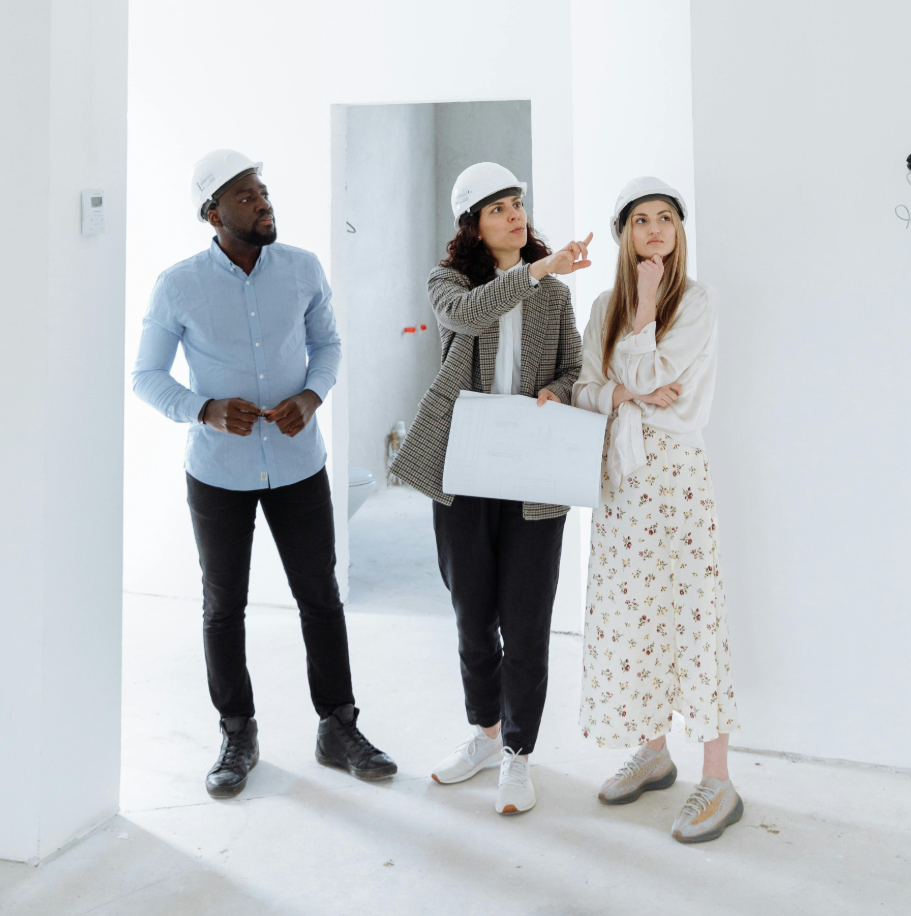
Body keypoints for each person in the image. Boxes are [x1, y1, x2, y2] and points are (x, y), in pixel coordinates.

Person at [132, 149, 396, 799]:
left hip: (299, 466)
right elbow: (145, 376)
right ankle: (237, 732)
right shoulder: (177, 284)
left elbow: (328, 345)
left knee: (321, 597)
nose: (262, 203)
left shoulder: (303, 269)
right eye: (245, 197)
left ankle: (339, 726)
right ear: (212, 213)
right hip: (218, 474)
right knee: (223, 607)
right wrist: (204, 410)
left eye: (263, 191)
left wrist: (312, 396)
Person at [390, 162, 590, 815]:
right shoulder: (449, 282)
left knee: (526, 622)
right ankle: (485, 733)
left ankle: (518, 754)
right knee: (473, 617)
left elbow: (571, 368)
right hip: (464, 471)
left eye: (518, 205)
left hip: (532, 472)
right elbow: (471, 316)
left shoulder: (554, 295)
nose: (515, 216)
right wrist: (534, 269)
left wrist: (555, 392)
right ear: (474, 224)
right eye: (499, 208)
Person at [572, 176, 742, 843]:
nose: (654, 230)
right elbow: (591, 389)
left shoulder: (696, 303)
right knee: (631, 615)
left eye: (665, 218)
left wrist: (643, 313)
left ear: (679, 230)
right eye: (640, 219)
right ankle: (653, 750)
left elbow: (652, 386)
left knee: (693, 617)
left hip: (676, 481)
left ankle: (720, 778)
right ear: (624, 234)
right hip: (621, 484)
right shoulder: (601, 306)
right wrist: (623, 390)